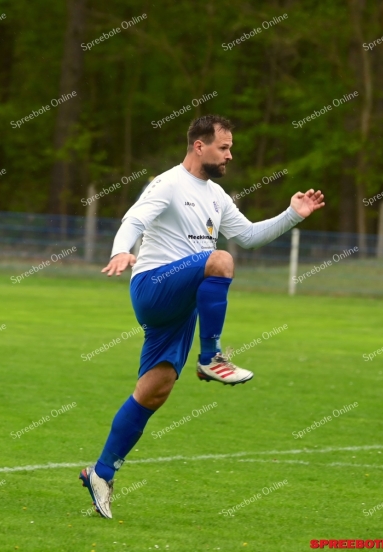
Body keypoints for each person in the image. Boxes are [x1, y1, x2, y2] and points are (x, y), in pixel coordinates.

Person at [80, 115, 325, 517]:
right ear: (199, 146)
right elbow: (134, 219)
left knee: (155, 389)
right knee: (220, 259)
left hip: (182, 302)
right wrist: (120, 250)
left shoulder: (217, 195)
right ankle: (210, 357)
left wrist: (293, 214)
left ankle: (101, 473)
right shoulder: (168, 183)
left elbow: (247, 235)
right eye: (224, 147)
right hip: (155, 285)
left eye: (230, 147)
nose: (230, 154)